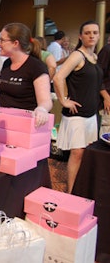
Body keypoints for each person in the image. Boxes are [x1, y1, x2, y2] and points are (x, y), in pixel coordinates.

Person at [53, 20, 101, 193]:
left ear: (99, 35)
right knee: (77, 154)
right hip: (77, 114)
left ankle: (80, 189)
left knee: (85, 154)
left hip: (90, 114)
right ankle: (71, 193)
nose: (91, 36)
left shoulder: (94, 57)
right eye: (87, 33)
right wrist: (63, 100)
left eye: (95, 32)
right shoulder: (77, 55)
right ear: (81, 36)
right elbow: (58, 77)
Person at [0, 22, 53, 127]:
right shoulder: (7, 63)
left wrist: (41, 109)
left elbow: (46, 101)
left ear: (15, 43)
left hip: (25, 125)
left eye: (2, 40)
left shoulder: (36, 66)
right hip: (6, 123)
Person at [97, 41, 110, 135]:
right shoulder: (107, 50)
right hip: (107, 101)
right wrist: (106, 97)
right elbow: (98, 75)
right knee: (106, 131)